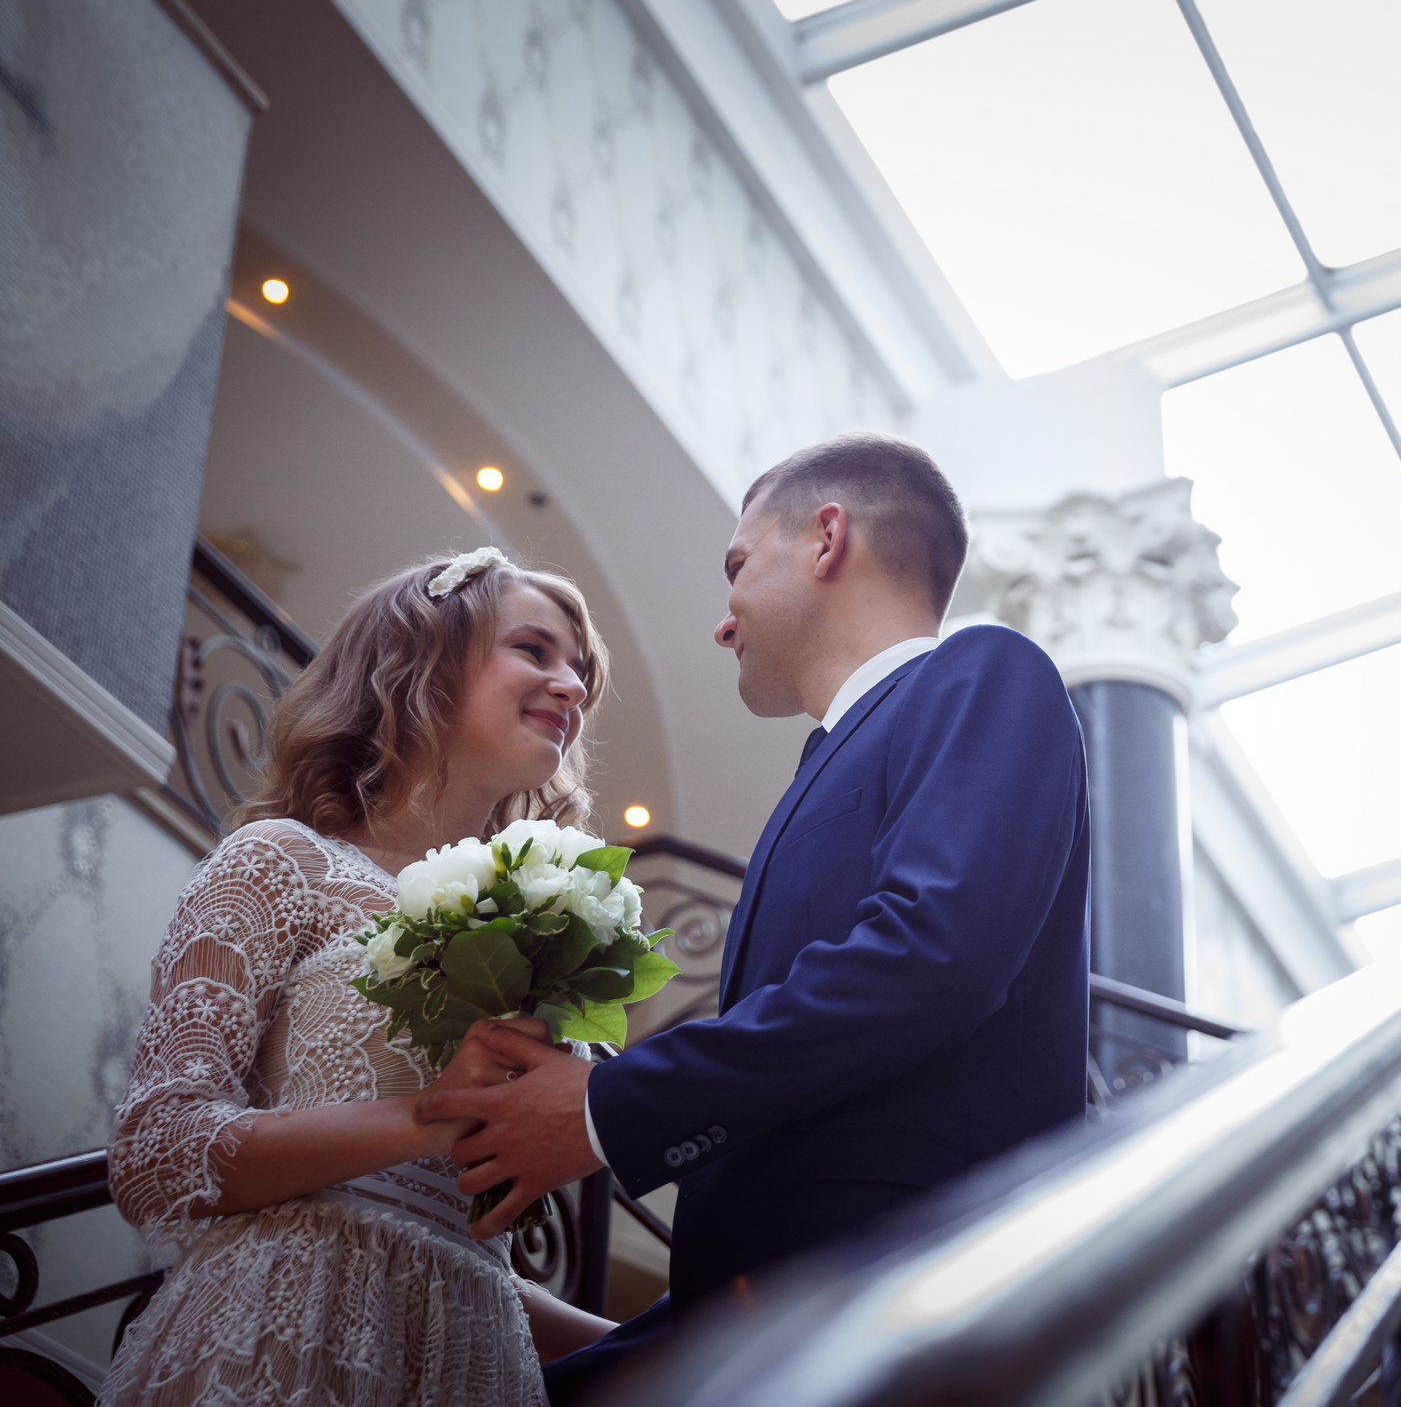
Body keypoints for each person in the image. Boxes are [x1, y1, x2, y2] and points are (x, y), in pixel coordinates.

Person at [419, 432, 1092, 1400]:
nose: (723, 623)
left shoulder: (983, 670)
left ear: (827, 538)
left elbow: (928, 955)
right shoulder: (821, 766)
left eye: (736, 566)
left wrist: (608, 1111)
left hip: (899, 1306)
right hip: (778, 1314)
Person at [100, 548, 620, 1406]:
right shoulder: (280, 863)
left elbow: (447, 1248)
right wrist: (426, 1113)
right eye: (535, 650)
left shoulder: (530, 943)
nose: (570, 685)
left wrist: (664, 1336)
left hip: (467, 1362)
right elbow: (158, 1155)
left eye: (579, 670)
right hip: (279, 1332)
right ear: (424, 659)